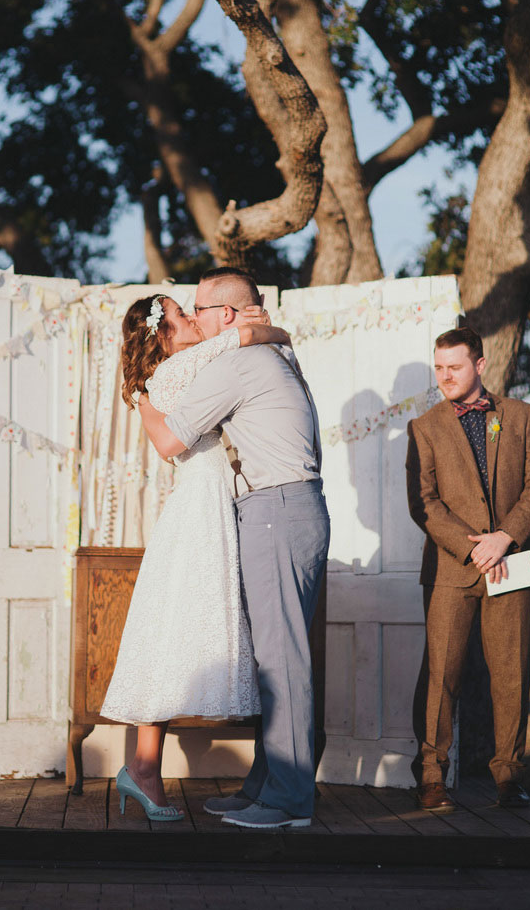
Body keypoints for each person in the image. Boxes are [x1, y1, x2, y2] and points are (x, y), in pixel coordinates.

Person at [139, 267, 330, 830]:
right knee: (278, 657)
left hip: (276, 509)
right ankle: (265, 786)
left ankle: (290, 800)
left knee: (283, 661)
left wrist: (140, 400)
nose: (195, 319)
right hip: (286, 510)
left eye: (200, 309)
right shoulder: (268, 356)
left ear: (226, 315)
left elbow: (172, 440)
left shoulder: (239, 363)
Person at [101, 292, 289, 822]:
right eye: (183, 314)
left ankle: (142, 768)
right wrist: (275, 330)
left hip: (206, 506)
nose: (193, 320)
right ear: (163, 335)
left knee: (168, 640)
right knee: (171, 639)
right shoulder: (181, 367)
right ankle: (142, 770)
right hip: (200, 513)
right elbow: (244, 337)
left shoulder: (165, 378)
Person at [406, 326, 530, 812]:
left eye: (455, 367)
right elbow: (422, 504)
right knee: (441, 674)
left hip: (514, 559)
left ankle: (509, 776)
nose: (445, 376)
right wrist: (474, 550)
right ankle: (430, 776)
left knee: (512, 674)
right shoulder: (423, 427)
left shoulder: (521, 415)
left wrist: (505, 537)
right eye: (439, 367)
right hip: (451, 567)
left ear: (480, 365)